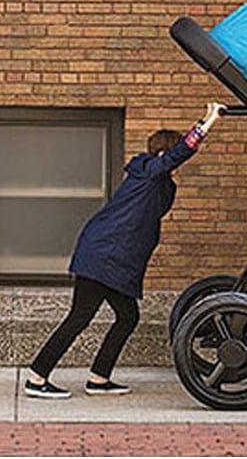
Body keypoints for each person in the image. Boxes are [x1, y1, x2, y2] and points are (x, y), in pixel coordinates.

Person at [25, 102, 229, 400]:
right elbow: (176, 156)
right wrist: (208, 121)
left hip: (113, 259)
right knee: (80, 317)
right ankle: (37, 377)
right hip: (103, 255)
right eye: (170, 157)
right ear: (163, 153)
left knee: (127, 316)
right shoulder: (148, 171)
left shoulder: (155, 181)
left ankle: (99, 377)